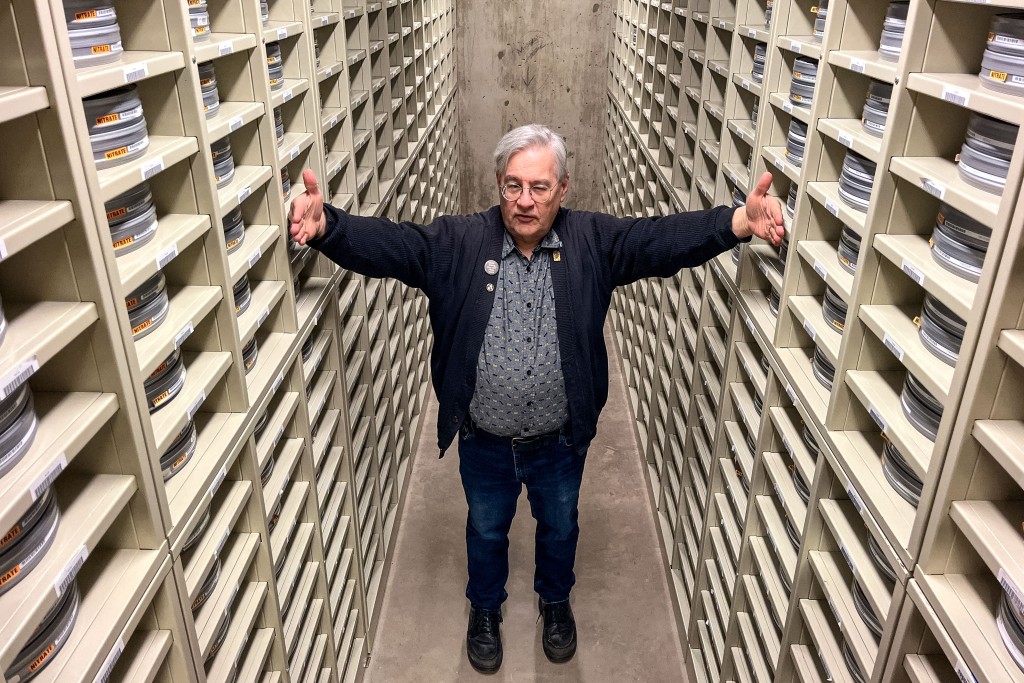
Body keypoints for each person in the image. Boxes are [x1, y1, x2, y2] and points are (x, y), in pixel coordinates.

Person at [289, 124, 783, 673]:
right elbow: (394, 246)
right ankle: (484, 608)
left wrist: (737, 222)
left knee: (561, 525)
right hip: (485, 441)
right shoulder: (459, 243)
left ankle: (555, 602)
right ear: (498, 185)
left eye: (540, 187)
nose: (525, 201)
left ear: (563, 189)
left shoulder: (591, 241)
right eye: (513, 185)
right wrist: (328, 225)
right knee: (485, 527)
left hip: (559, 441)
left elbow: (658, 241)